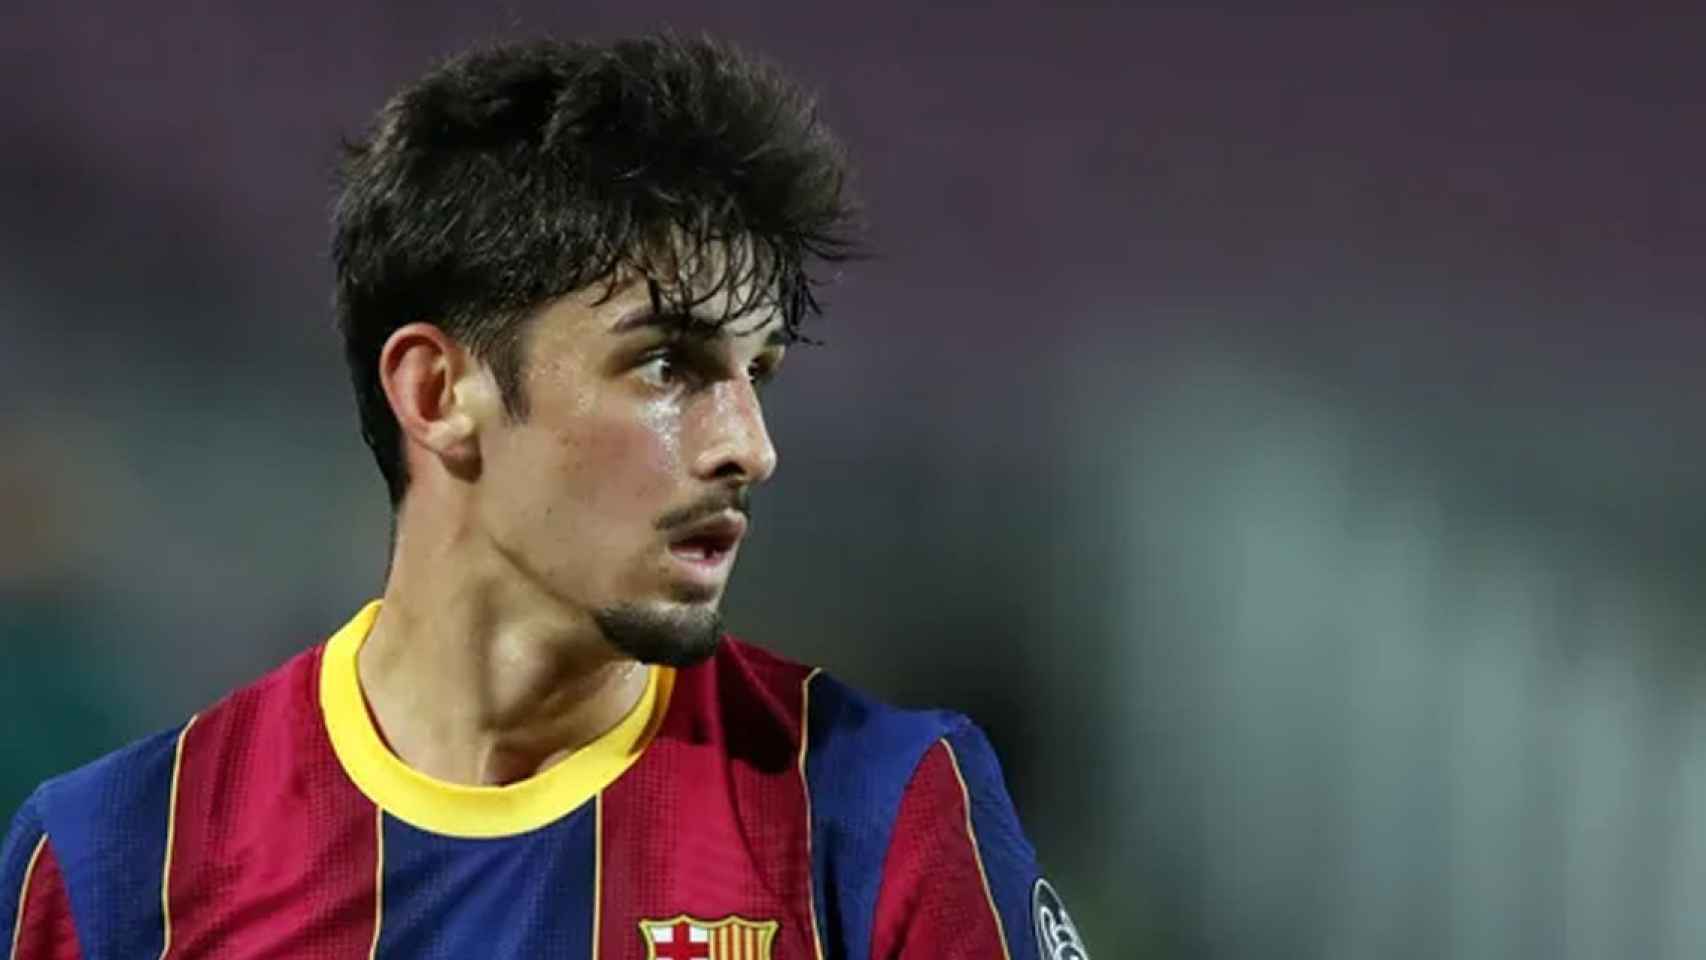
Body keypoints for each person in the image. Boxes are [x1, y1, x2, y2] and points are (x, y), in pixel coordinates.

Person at [1, 34, 1089, 959]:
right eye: (668, 366)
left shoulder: (876, 810)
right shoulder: (118, 860)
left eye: (755, 375)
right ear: (438, 391)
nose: (750, 450)